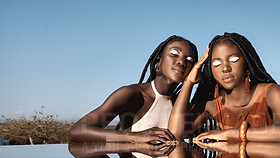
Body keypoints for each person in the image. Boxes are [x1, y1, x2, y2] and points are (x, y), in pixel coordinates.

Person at [69, 35, 198, 144]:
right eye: (174, 54)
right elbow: (77, 131)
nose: (181, 61)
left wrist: (189, 84)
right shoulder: (133, 95)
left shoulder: (180, 104)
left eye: (189, 59)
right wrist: (136, 137)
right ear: (159, 60)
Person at [168, 32, 280, 143]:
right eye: (217, 63)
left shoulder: (272, 93)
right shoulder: (211, 104)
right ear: (210, 70)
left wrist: (229, 134)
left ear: (247, 63)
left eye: (233, 59)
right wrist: (188, 82)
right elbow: (176, 133)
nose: (225, 68)